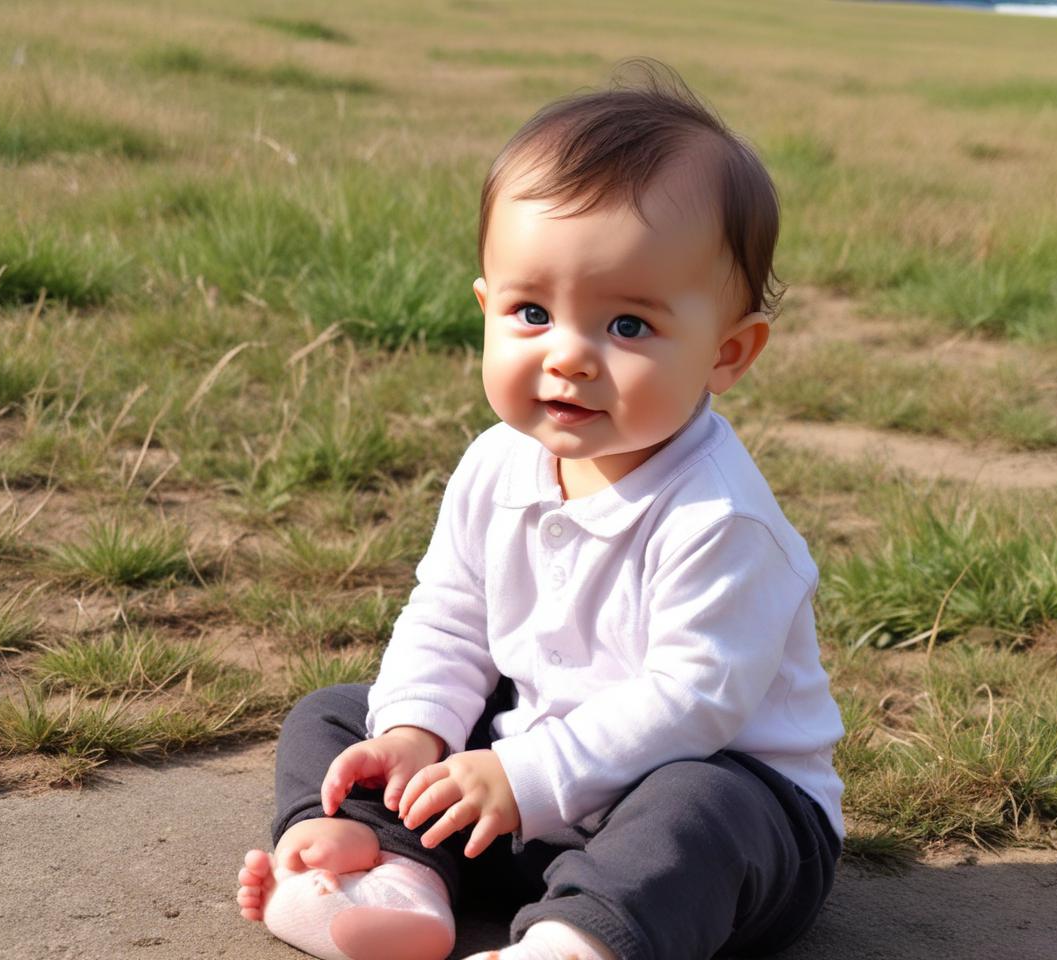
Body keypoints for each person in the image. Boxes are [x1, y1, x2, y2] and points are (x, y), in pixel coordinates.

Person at [237, 57, 845, 960]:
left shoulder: (719, 518)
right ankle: (390, 875)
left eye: (628, 325)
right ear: (484, 307)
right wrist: (417, 733)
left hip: (723, 822)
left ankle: (575, 942)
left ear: (728, 353)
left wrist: (524, 774)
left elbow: (692, 703)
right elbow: (448, 617)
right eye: (530, 312)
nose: (569, 356)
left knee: (699, 804)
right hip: (521, 790)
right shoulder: (495, 466)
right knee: (340, 714)